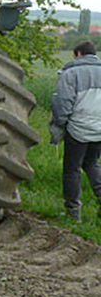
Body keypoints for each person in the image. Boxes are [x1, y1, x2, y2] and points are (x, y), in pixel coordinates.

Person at [50, 40, 101, 222]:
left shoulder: (71, 73)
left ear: (79, 54)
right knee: (92, 163)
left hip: (78, 129)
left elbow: (62, 104)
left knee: (72, 169)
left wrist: (60, 125)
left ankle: (73, 214)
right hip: (99, 130)